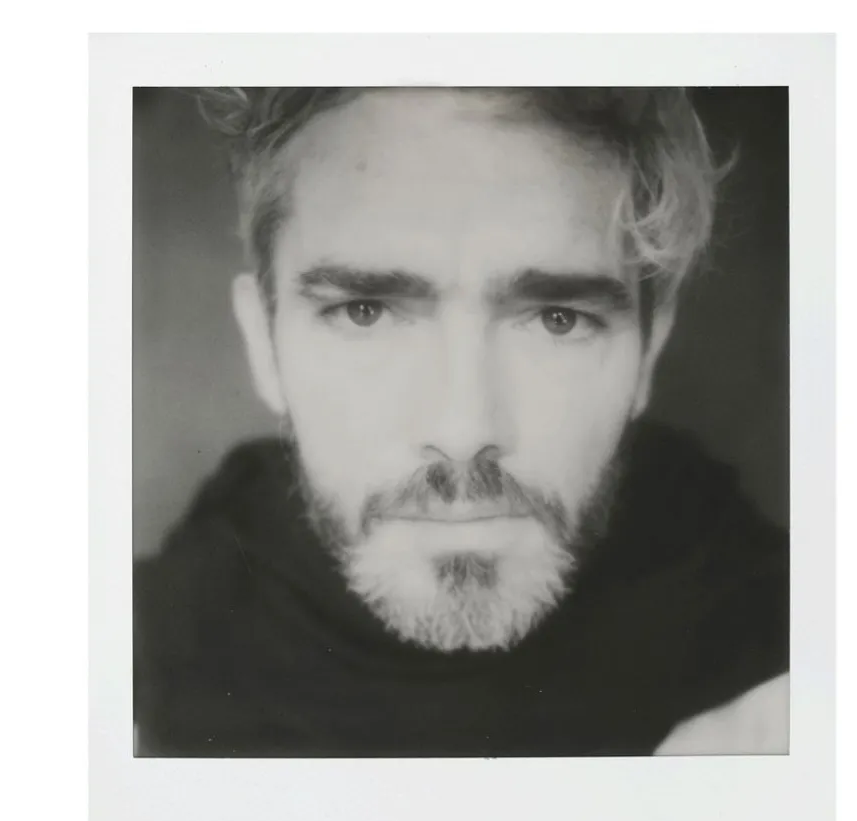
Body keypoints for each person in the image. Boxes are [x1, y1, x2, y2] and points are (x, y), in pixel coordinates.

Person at [133, 87, 789, 758]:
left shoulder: (794, 678)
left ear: (648, 353)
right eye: (365, 312)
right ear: (263, 345)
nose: (463, 430)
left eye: (558, 319)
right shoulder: (128, 688)